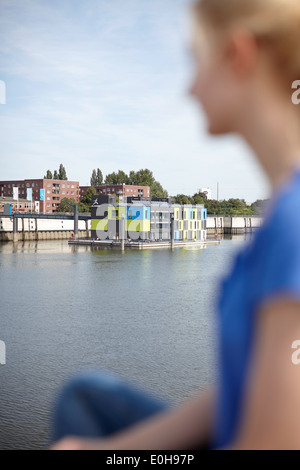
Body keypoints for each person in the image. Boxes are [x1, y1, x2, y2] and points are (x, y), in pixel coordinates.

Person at [51, 0, 300, 450]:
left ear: (236, 55)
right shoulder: (281, 213)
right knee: (82, 396)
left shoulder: (292, 224)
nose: (189, 88)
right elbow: (243, 387)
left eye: (196, 60)